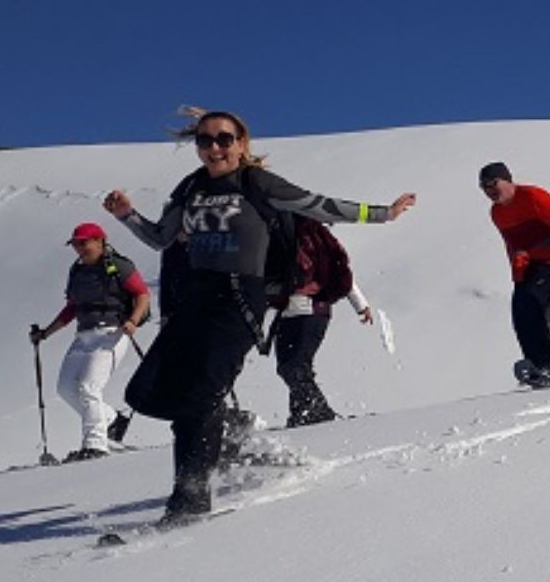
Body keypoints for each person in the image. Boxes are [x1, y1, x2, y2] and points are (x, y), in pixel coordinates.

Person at [103, 111, 415, 525]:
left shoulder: (257, 183)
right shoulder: (191, 187)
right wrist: (126, 215)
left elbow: (319, 205)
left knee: (198, 398)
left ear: (241, 143)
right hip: (195, 296)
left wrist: (383, 213)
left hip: (239, 298)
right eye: (204, 140)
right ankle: (230, 433)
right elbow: (161, 238)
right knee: (146, 392)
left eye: (224, 139)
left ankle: (190, 501)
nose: (214, 148)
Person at [28, 223, 151, 461]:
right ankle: (112, 420)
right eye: (76, 244)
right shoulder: (77, 271)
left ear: (100, 241)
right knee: (65, 388)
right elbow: (72, 308)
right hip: (84, 335)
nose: (79, 248)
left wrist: (133, 320)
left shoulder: (119, 266)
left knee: (88, 388)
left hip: (112, 333)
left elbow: (142, 294)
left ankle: (95, 446)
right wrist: (45, 333)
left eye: (84, 243)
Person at [481, 162, 550, 388]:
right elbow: (510, 244)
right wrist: (516, 271)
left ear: (507, 179)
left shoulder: (533, 196)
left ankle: (548, 365)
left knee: (535, 305)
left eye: (492, 184)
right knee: (519, 310)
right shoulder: (497, 213)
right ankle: (535, 363)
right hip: (527, 267)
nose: (489, 191)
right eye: (484, 187)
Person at [272, 220, 376, 426]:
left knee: (294, 365)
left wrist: (360, 305)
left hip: (312, 310)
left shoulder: (312, 238)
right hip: (289, 313)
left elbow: (339, 272)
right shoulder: (281, 236)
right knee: (290, 366)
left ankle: (317, 412)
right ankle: (302, 413)